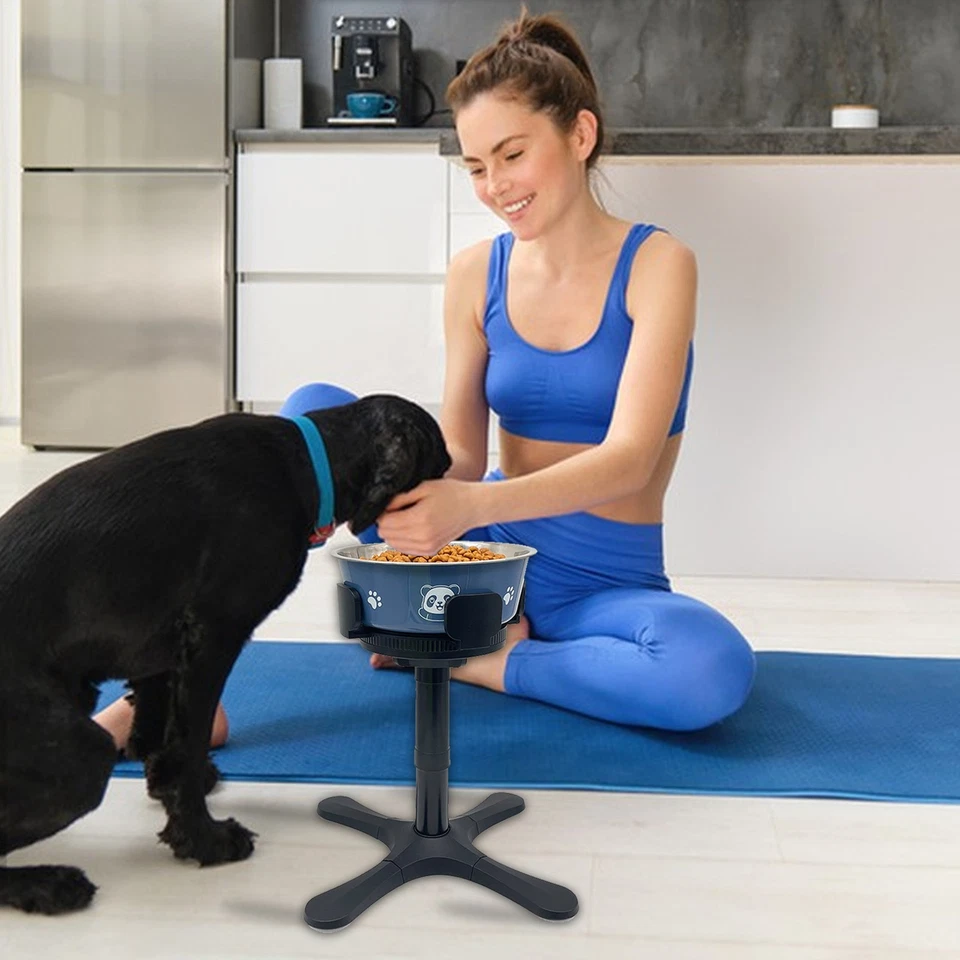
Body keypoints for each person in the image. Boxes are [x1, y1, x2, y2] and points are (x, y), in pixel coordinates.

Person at [96, 8, 755, 745]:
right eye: (476, 166)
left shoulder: (659, 266)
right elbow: (462, 456)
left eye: (512, 154)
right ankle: (178, 691)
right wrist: (450, 506)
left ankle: (482, 660)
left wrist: (469, 504)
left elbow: (632, 461)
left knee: (708, 667)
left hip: (601, 584)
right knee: (309, 418)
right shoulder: (477, 272)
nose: (496, 185)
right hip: (478, 555)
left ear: (580, 134)